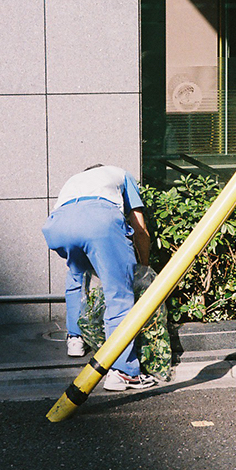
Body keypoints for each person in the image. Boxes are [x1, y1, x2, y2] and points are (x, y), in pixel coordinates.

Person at [42, 164, 156, 391]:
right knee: (119, 295)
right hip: (98, 222)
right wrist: (143, 267)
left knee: (76, 276)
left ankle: (75, 340)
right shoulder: (121, 174)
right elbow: (139, 228)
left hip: (57, 227)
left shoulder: (75, 179)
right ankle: (123, 371)